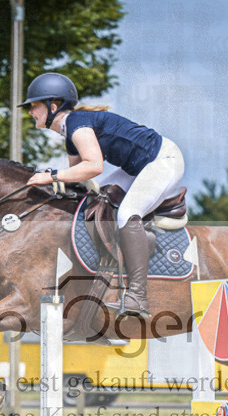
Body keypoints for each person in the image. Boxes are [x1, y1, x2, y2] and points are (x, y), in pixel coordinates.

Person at [20, 72, 185, 320]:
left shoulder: (77, 123)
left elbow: (94, 166)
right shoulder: (71, 133)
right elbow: (81, 181)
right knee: (94, 202)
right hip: (137, 168)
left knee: (128, 213)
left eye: (34, 106)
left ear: (53, 106)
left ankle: (138, 296)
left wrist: (51, 175)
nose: (30, 111)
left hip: (163, 161)